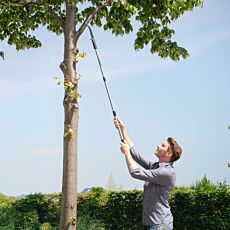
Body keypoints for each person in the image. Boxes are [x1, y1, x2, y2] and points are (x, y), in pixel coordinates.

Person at [114, 117, 182, 230]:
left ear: (169, 154)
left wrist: (126, 153)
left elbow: (135, 172)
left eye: (162, 145)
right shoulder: (156, 166)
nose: (158, 146)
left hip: (160, 225)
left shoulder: (166, 172)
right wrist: (122, 128)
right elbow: (135, 154)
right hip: (154, 225)